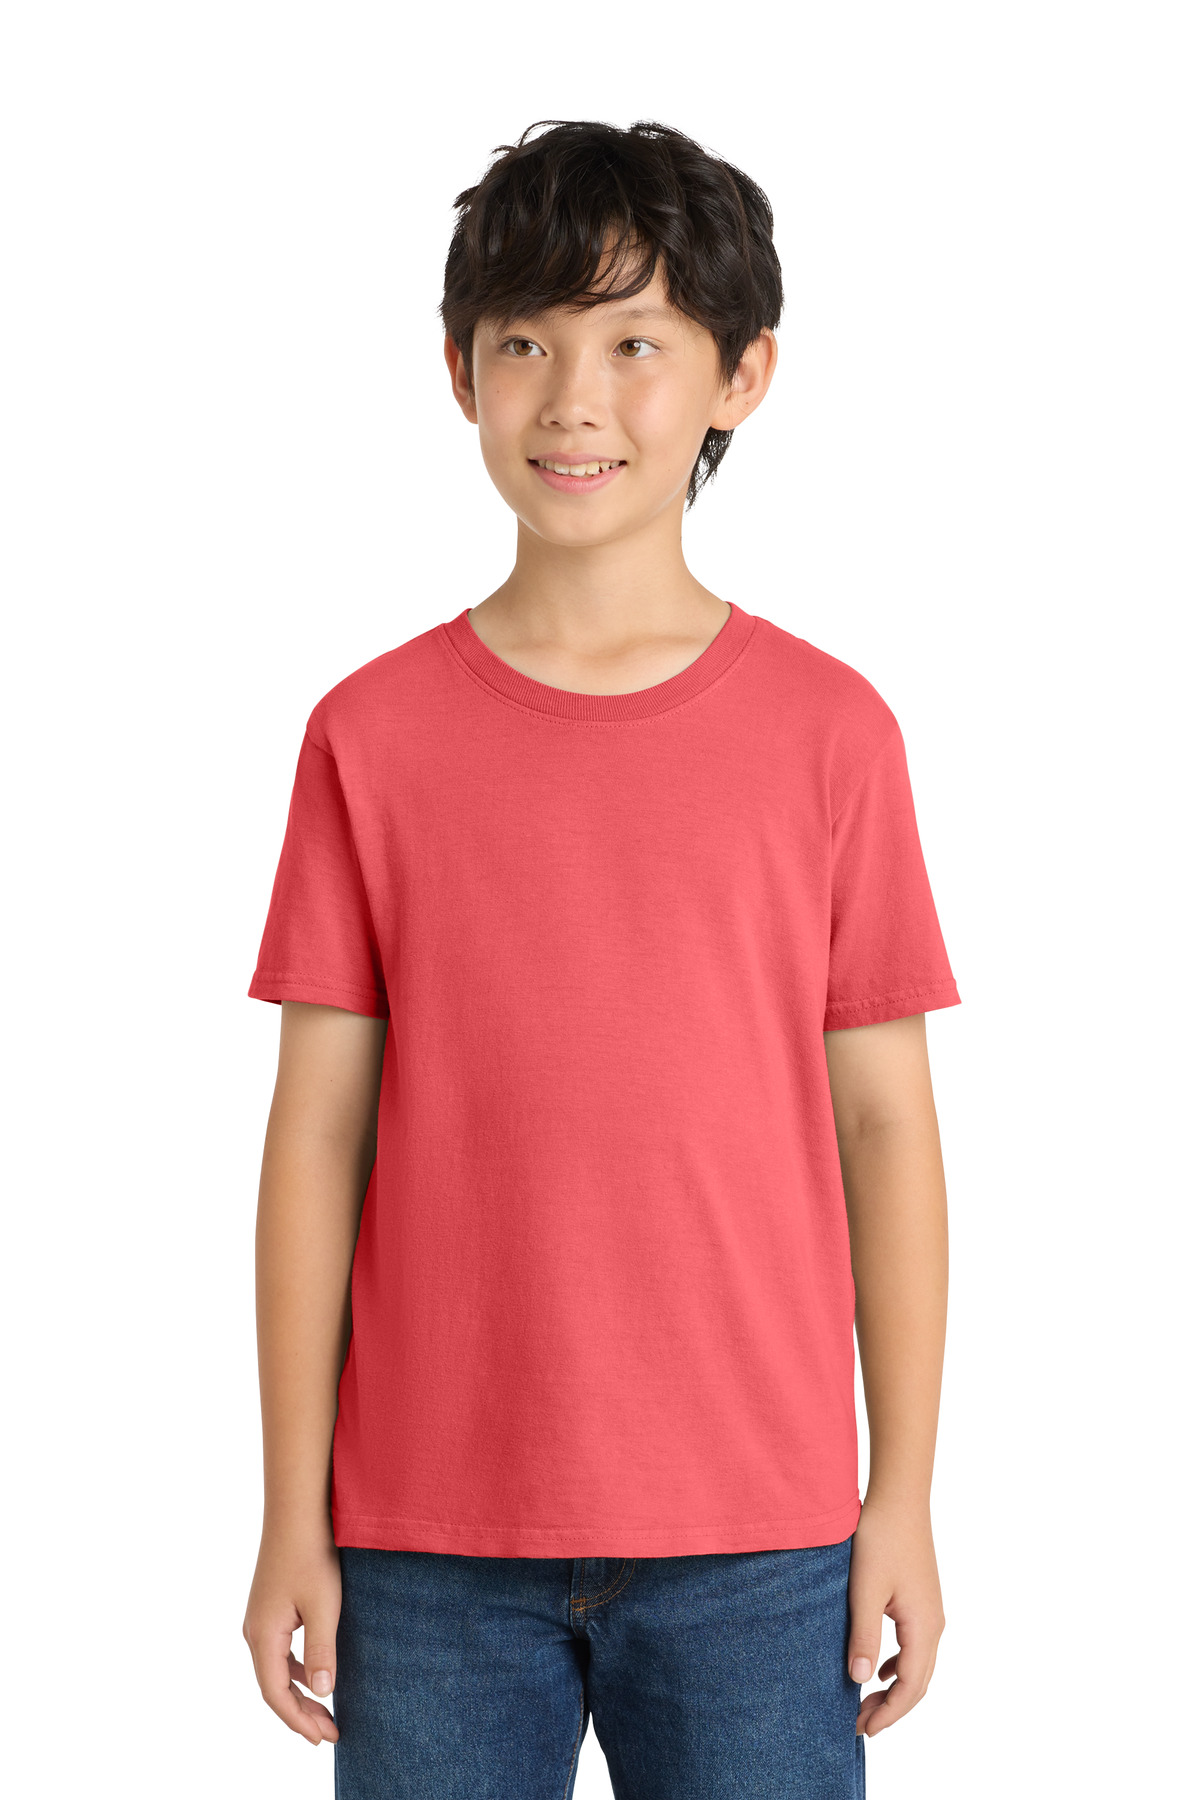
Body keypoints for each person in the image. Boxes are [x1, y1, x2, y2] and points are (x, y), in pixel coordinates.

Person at [242, 117, 961, 1799]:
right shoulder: (369, 737)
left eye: (636, 344)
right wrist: (289, 1511)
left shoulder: (832, 735)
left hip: (759, 1536)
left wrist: (905, 1493)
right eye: (526, 344)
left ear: (741, 375)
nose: (574, 399)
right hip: (425, 1541)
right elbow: (317, 1138)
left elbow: (885, 1128)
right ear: (460, 373)